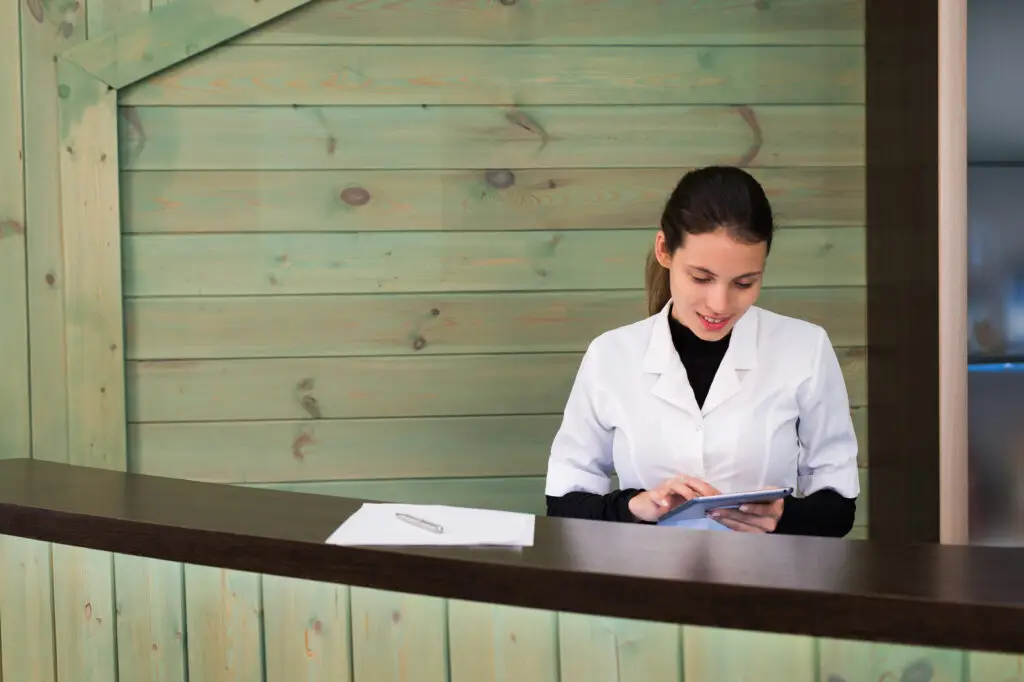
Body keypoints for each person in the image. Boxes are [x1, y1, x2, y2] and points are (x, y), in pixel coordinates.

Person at [544, 165, 859, 537]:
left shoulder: (805, 348)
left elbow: (839, 503)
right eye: (701, 278)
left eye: (744, 282)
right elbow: (564, 501)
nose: (720, 304)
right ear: (664, 250)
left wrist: (783, 516)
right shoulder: (611, 355)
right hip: (645, 581)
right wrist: (634, 506)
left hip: (767, 581)